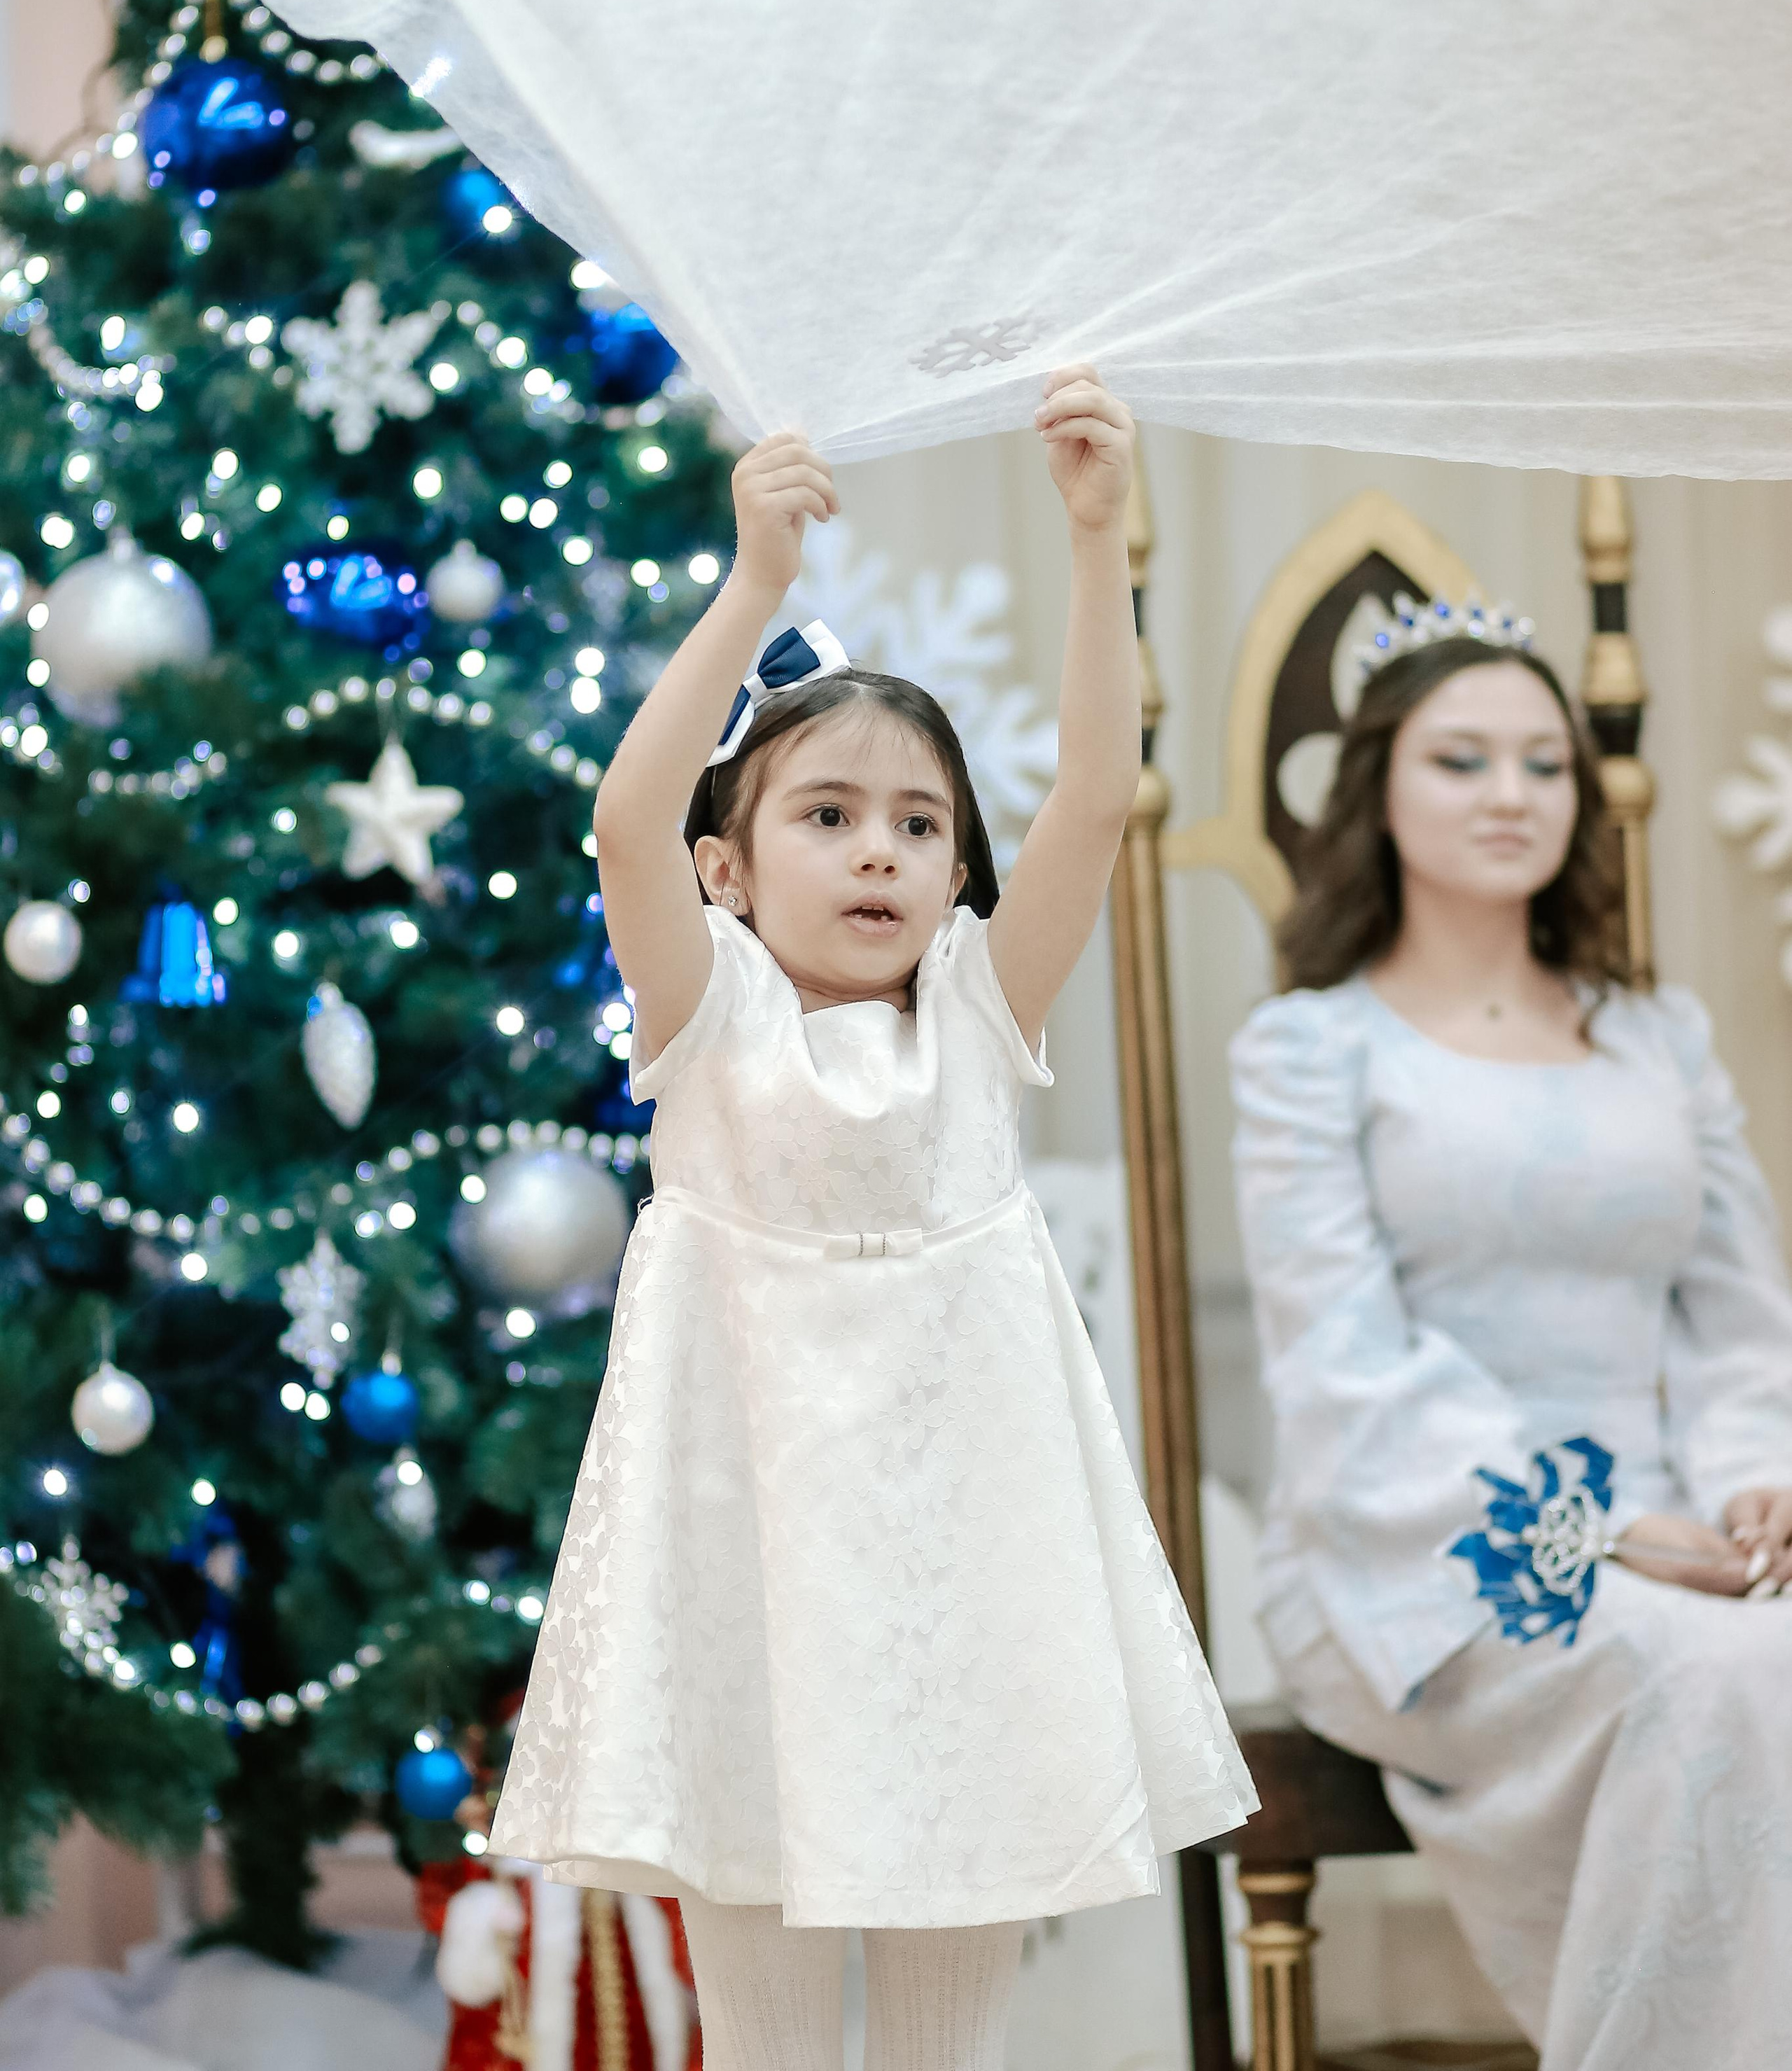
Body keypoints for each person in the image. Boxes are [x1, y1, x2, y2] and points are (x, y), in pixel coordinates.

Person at [491, 366, 1252, 2071]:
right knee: (753, 1909)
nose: (879, 854)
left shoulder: (981, 1011)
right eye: (825, 816)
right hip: (745, 1511)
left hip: (957, 1536)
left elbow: (1097, 801)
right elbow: (625, 812)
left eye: (918, 824)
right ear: (728, 868)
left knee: (952, 1943)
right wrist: (750, 585)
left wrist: (1096, 535)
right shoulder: (705, 1014)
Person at [1229, 611, 1792, 2071]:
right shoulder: (1310, 1051)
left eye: (1543, 763)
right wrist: (1599, 1530)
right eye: (1461, 758)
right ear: (1378, 792)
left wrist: (1752, 1484)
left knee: (1742, 1649)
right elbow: (1338, 1369)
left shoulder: (1657, 1037)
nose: (1508, 793)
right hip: (1417, 1536)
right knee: (1715, 1674)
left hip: (1684, 1527)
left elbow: (1736, 1323)